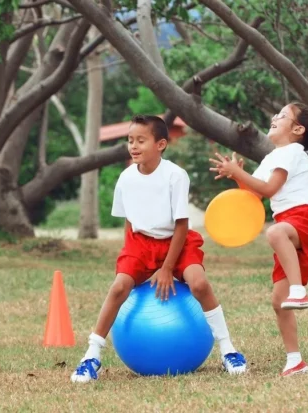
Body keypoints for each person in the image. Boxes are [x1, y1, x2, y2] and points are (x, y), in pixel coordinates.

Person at [70, 114, 247, 384]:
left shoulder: (175, 176)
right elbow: (129, 222)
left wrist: (166, 268)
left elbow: (181, 225)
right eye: (130, 140)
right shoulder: (126, 178)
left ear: (161, 144)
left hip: (177, 240)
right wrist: (130, 259)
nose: (134, 146)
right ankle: (91, 356)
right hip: (140, 244)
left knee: (198, 283)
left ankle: (228, 350)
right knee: (118, 287)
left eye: (141, 140)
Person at [209, 102, 308, 377]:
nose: (274, 117)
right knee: (278, 300)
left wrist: (238, 173)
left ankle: (300, 290)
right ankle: (295, 361)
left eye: (282, 115)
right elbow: (255, 193)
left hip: (303, 218)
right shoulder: (272, 158)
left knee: (274, 232)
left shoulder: (292, 152)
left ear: (297, 129)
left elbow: (270, 188)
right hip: (288, 224)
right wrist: (238, 176)